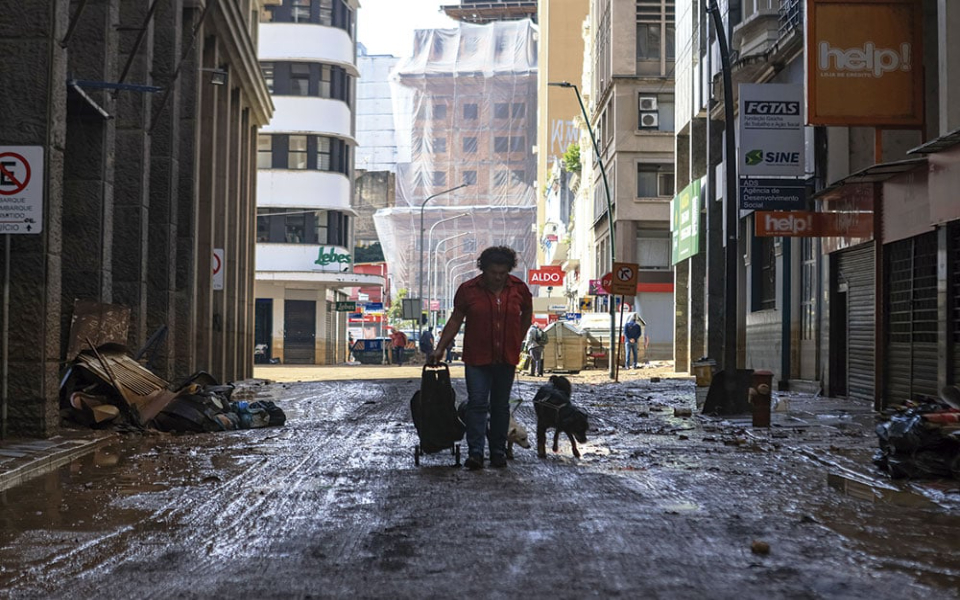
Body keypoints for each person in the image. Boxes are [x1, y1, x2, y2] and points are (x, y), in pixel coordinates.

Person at [430, 246, 532, 470]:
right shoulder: (468, 290)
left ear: (508, 271)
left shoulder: (519, 289)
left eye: (503, 273)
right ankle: (475, 453)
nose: (498, 277)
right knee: (477, 404)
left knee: (500, 406)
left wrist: (518, 339)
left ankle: (498, 452)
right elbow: (455, 321)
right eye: (493, 272)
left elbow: (527, 315)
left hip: (506, 357)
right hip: (477, 358)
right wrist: (440, 348)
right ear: (483, 270)